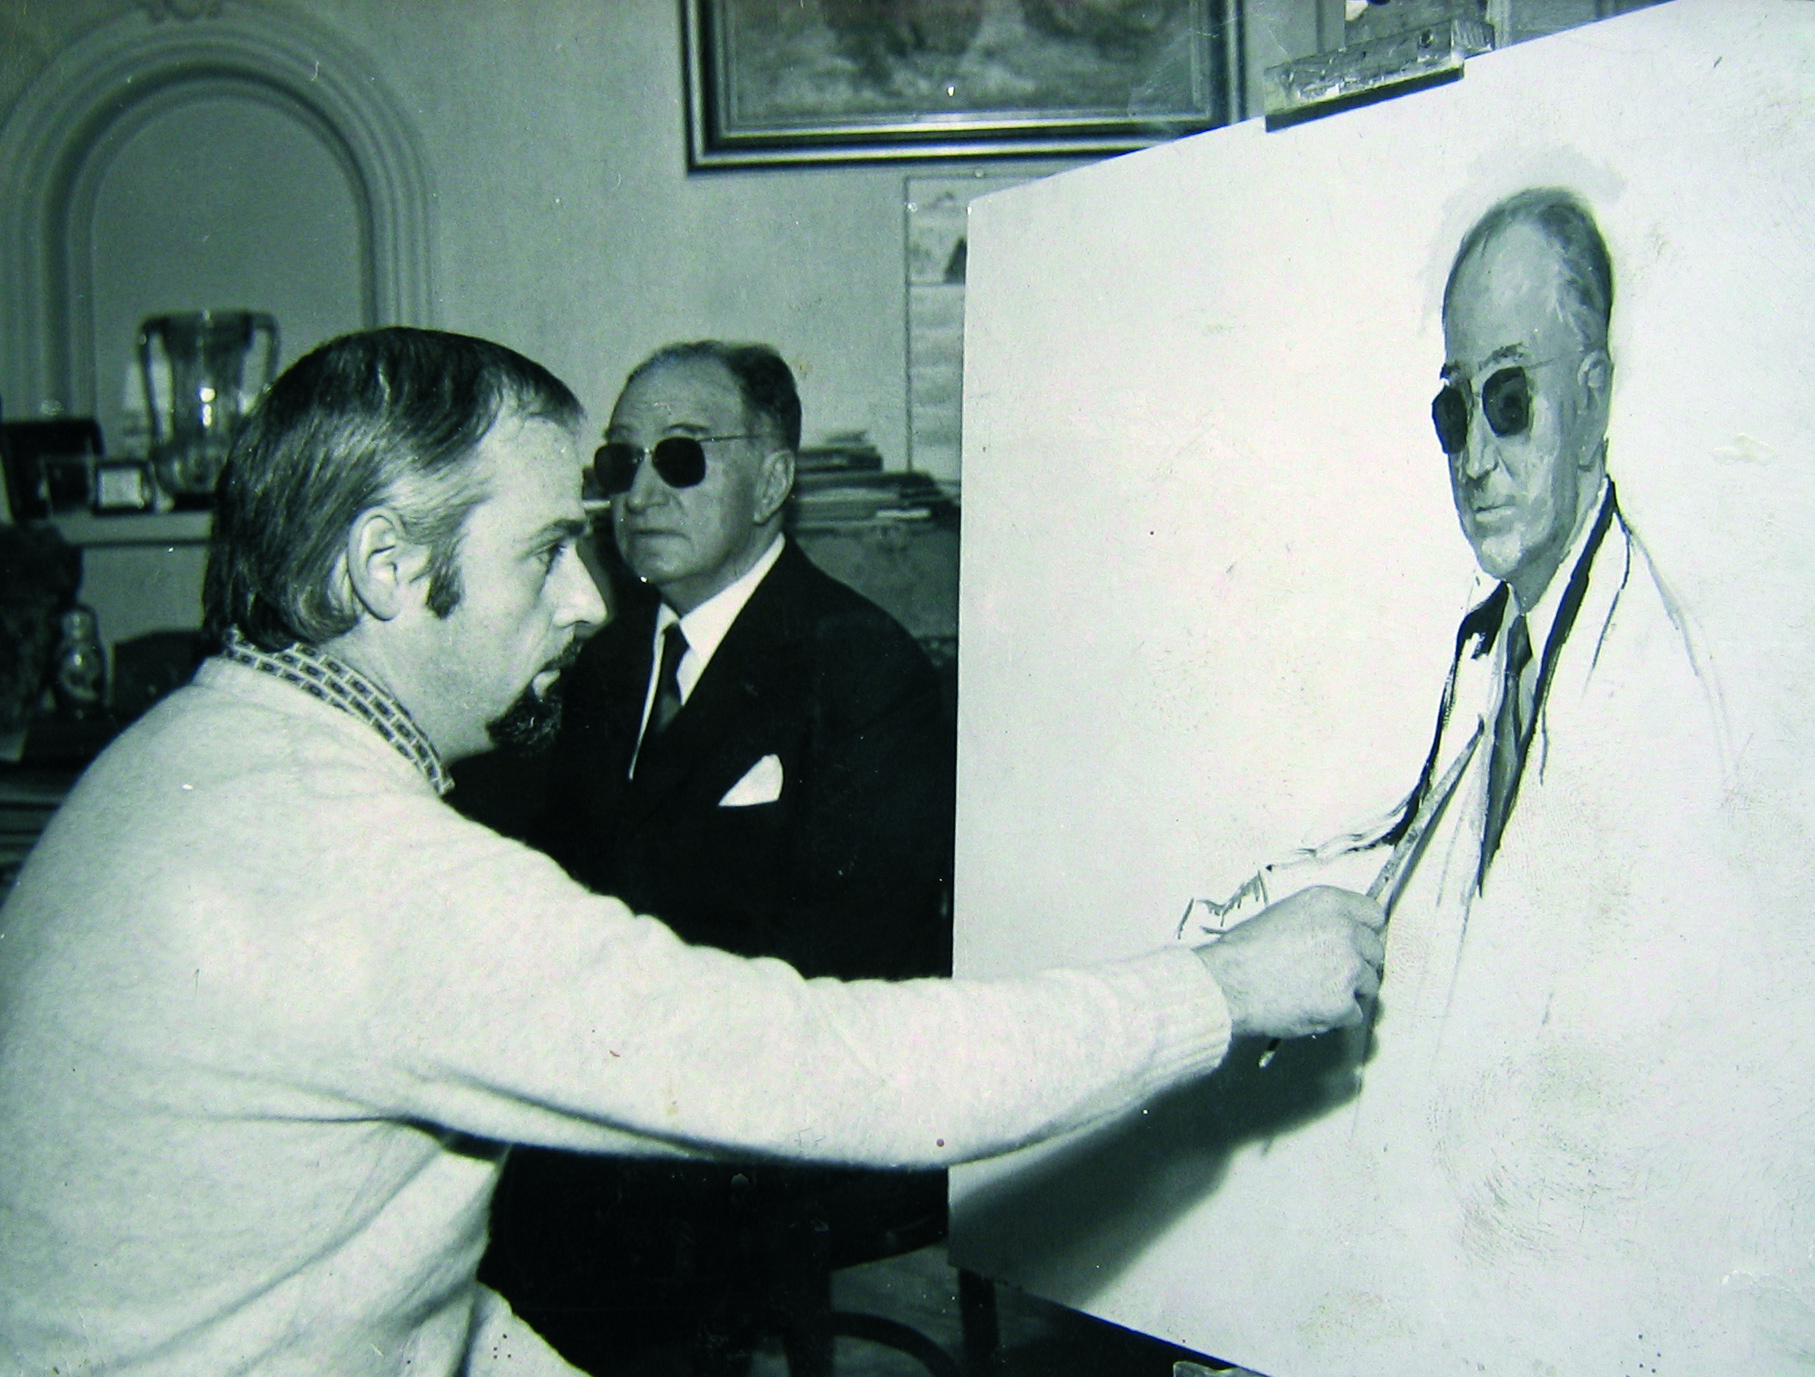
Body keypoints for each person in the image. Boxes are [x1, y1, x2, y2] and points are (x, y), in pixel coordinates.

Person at [0, 326, 1385, 1377]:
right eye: (545, 550)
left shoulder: (192, 754)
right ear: (384, 567)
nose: (587, 597)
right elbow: (824, 1068)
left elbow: (389, 1292)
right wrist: (1221, 987)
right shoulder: (352, 859)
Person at [475, 340, 955, 1371]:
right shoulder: (597, 659)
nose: (640, 492)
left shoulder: (860, 667)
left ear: (773, 482)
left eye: (682, 457)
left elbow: (856, 957)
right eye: (621, 462)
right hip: (619, 1075)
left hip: (769, 1090)